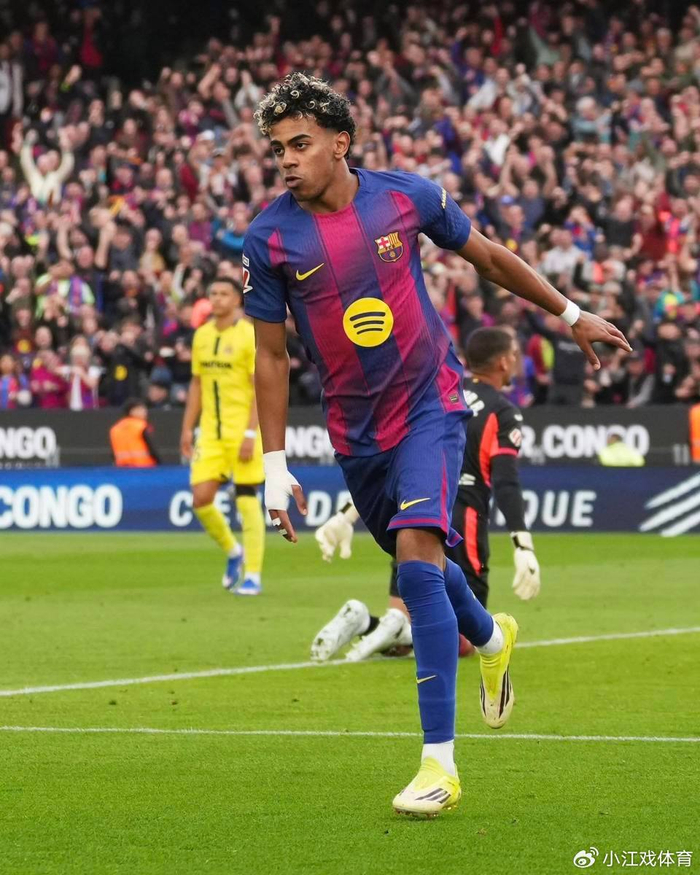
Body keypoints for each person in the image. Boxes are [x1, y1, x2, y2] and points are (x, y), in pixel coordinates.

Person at [242, 73, 630, 818]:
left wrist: (570, 312)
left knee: (417, 561)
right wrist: (275, 464)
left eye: (300, 143)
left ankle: (438, 764)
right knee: (426, 562)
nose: (286, 159)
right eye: (277, 148)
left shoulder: (405, 197)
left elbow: (488, 256)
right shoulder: (269, 238)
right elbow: (269, 354)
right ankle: (492, 637)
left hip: (432, 404)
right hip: (356, 432)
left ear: (340, 142)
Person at [313, 327, 540, 663]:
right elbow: (506, 481)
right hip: (463, 518)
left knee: (410, 616)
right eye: (515, 356)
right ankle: (393, 628)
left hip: (416, 509)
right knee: (466, 640)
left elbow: (395, 464)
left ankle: (366, 622)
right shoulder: (502, 411)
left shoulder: (437, 393)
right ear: (504, 362)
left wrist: (346, 514)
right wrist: (522, 544)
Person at [180, 278, 265, 595]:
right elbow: (196, 384)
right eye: (213, 293)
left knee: (246, 497)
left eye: (224, 294)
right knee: (201, 499)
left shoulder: (248, 335)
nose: (217, 299)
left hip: (242, 430)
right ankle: (233, 551)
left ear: (237, 299)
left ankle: (253, 575)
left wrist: (250, 432)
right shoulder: (202, 335)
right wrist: (187, 427)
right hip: (211, 433)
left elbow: (260, 388)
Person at [109, 398, 160, 467]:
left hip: (122, 467)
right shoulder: (142, 426)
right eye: (140, 409)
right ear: (131, 411)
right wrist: (158, 462)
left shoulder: (115, 428)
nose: (144, 412)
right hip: (145, 466)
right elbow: (151, 447)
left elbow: (113, 452)